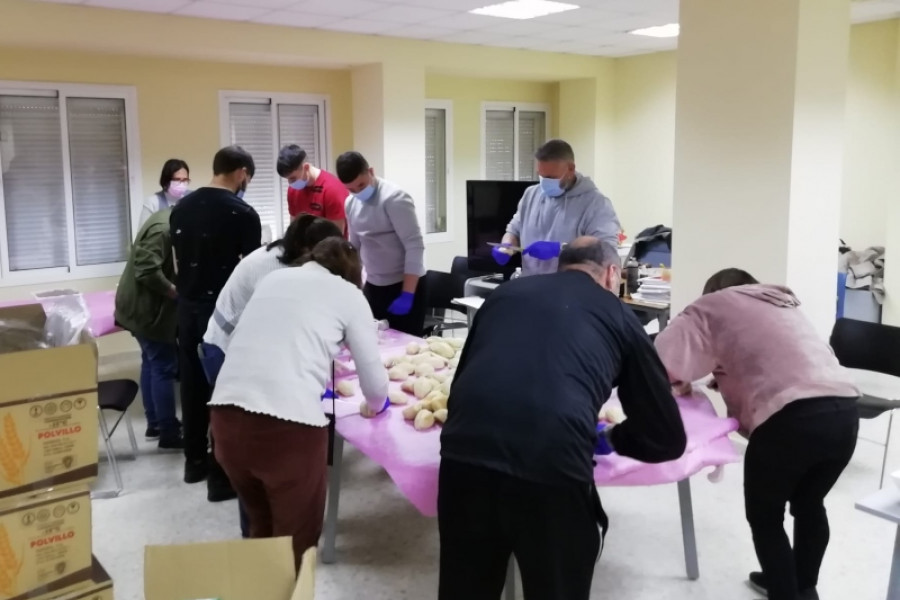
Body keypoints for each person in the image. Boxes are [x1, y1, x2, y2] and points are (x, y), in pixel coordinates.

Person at [438, 236, 687, 600]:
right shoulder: (617, 314)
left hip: (464, 453)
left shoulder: (504, 296)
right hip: (551, 463)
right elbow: (666, 436)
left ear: (560, 266)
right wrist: (614, 438)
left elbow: (460, 386)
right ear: (612, 274)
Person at [654, 268, 859, 600]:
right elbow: (781, 361)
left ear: (713, 291)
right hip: (845, 413)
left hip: (790, 420)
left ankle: (785, 592)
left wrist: (674, 379)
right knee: (809, 503)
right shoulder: (781, 304)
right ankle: (804, 587)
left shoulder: (712, 304)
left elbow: (661, 358)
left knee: (765, 517)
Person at [210, 237, 390, 569]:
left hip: (225, 418)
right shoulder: (349, 295)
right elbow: (375, 384)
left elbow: (253, 341)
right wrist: (378, 405)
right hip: (288, 430)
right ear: (353, 274)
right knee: (297, 541)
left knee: (260, 526)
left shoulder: (274, 279)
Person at [199, 214, 343, 539]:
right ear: (306, 249)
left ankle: (261, 529)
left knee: (251, 441)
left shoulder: (287, 256)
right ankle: (257, 534)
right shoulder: (278, 272)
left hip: (232, 346)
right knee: (251, 434)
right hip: (225, 349)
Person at [170, 145, 262, 501]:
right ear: (241, 172)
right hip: (223, 315)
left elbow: (178, 262)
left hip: (188, 307)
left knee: (191, 385)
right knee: (225, 394)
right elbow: (251, 273)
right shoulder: (242, 213)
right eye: (247, 179)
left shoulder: (180, 209)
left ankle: (194, 464)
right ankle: (221, 479)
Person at [493, 139, 621, 277]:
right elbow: (514, 230)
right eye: (541, 176)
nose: (545, 182)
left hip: (570, 289)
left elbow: (606, 253)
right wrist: (506, 246)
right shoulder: (531, 195)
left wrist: (560, 249)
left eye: (551, 177)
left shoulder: (596, 204)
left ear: (570, 169)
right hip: (531, 284)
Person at [336, 151, 426, 335]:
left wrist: (407, 294)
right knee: (376, 342)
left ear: (370, 171)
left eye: (361, 185)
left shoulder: (395, 198)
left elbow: (414, 245)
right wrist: (353, 286)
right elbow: (355, 246)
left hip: (405, 285)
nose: (357, 192)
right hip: (374, 285)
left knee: (405, 350)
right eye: (351, 189)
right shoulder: (350, 203)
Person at [114, 207, 182, 449]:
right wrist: (174, 291)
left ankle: (155, 423)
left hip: (135, 307)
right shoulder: (164, 230)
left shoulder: (165, 217)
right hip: (145, 309)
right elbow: (147, 269)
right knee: (164, 366)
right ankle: (168, 432)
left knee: (152, 362)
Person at [277, 144, 347, 234]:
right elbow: (294, 227)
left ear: (306, 167)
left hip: (329, 246)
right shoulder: (292, 190)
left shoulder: (332, 189)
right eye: (288, 179)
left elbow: (337, 236)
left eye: (293, 178)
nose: (290, 183)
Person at [139, 159, 190, 227]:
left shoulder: (193, 198)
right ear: (166, 180)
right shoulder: (152, 203)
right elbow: (143, 233)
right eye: (176, 179)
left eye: (185, 180)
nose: (181, 184)